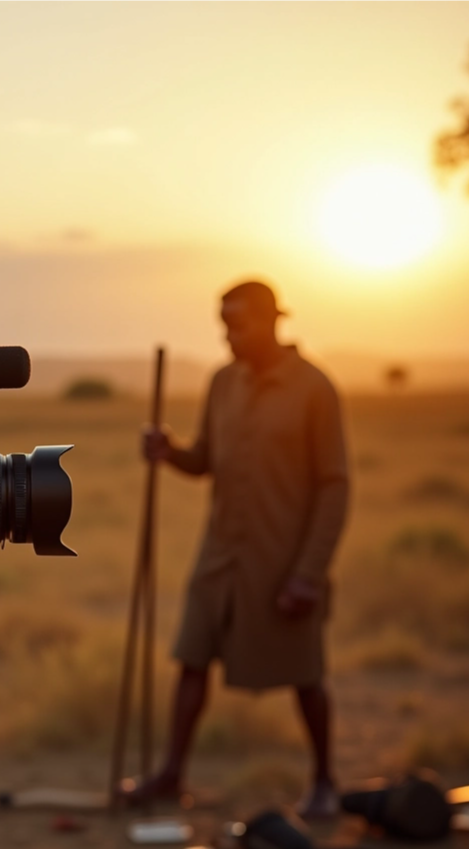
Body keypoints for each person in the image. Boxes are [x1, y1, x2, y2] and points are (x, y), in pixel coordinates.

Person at [124, 281, 349, 817]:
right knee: (192, 659)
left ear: (273, 321)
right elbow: (205, 459)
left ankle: (324, 780)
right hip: (220, 554)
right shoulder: (223, 382)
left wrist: (308, 575)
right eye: (222, 323)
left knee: (305, 674)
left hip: (281, 560)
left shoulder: (315, 389)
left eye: (238, 323)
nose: (227, 335)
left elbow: (335, 486)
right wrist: (169, 451)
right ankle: (172, 775)